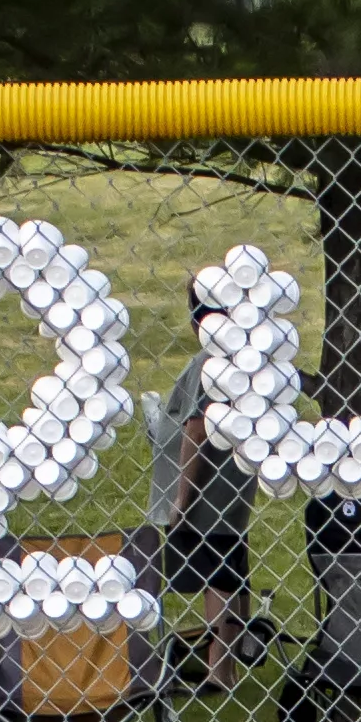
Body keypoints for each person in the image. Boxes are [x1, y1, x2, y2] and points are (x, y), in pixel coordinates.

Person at [147, 276, 262, 691]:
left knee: (218, 577)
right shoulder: (239, 358)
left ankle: (219, 670)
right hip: (228, 494)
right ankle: (231, 659)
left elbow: (197, 429)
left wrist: (182, 497)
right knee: (231, 572)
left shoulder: (208, 363)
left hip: (206, 496)